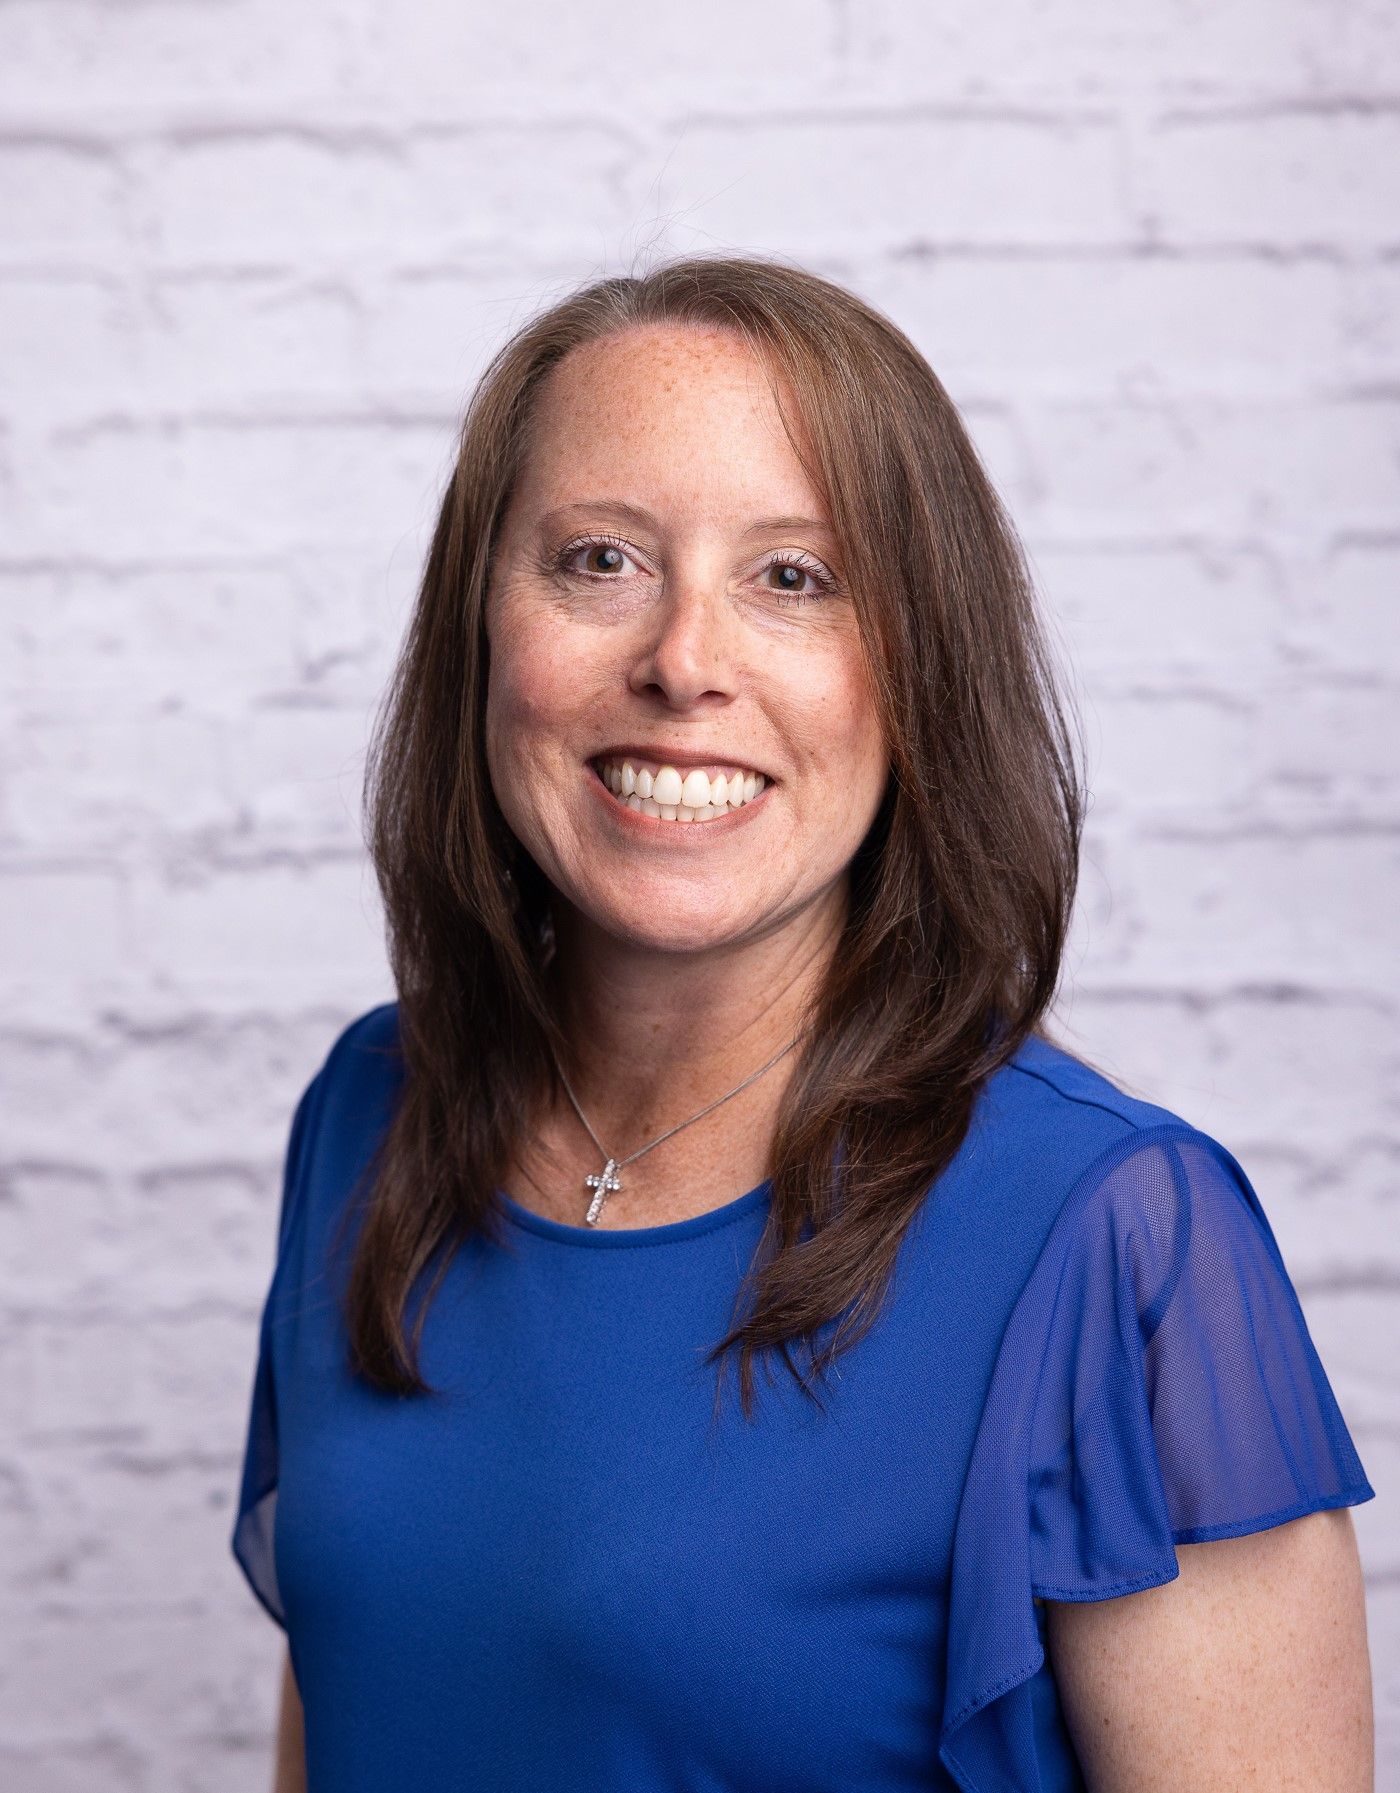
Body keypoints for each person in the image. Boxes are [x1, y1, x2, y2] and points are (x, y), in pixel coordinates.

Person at [229, 255, 1376, 1792]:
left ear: (918, 664)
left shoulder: (1113, 1236)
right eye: (599, 560)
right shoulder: (370, 1105)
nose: (683, 661)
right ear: (479, 623)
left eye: (794, 578)